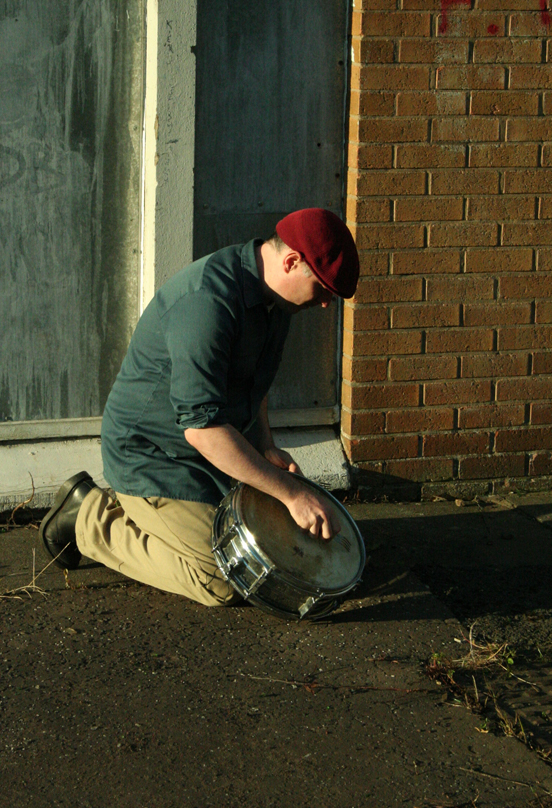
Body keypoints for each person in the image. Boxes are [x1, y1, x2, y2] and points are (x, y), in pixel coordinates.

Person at [39, 208, 359, 606]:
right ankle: (88, 516)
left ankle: (155, 516)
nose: (327, 303)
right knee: (222, 578)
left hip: (210, 452)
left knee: (265, 551)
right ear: (292, 261)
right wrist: (291, 495)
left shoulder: (277, 303)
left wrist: (265, 447)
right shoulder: (207, 302)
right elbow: (201, 428)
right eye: (324, 289)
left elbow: (252, 386)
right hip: (153, 457)